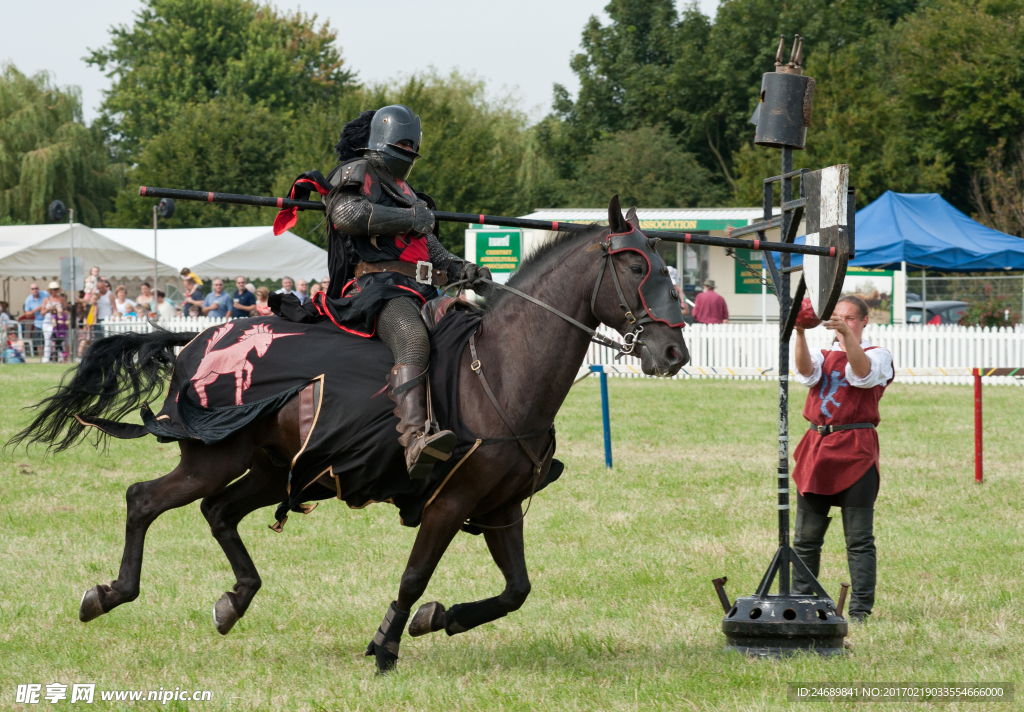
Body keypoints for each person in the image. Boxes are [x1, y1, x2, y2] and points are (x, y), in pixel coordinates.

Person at [277, 105, 490, 477]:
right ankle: (415, 438)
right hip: (375, 287)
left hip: (421, 288)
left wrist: (462, 269)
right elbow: (347, 215)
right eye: (402, 144)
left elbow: (431, 252)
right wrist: (411, 217)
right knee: (412, 337)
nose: (408, 151)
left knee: (470, 334)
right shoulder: (356, 171)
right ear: (383, 140)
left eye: (413, 146)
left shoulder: (408, 192)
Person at [792, 295, 893, 623]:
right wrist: (801, 332)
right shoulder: (823, 355)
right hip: (817, 448)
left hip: (856, 450)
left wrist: (848, 337)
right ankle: (801, 604)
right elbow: (806, 372)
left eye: (850, 318)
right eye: (837, 318)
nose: (842, 323)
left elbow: (860, 374)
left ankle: (860, 611)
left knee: (859, 539)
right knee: (806, 538)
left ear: (865, 321)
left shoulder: (879, 356)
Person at [40, 282, 67, 363]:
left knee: (58, 339)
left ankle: (60, 358)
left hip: (57, 321)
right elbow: (42, 313)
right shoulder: (46, 300)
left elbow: (65, 310)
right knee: (47, 340)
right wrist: (49, 309)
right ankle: (46, 358)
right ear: (50, 290)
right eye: (53, 289)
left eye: (56, 289)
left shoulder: (61, 299)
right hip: (48, 321)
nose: (55, 291)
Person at [23, 282, 49, 354]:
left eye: (36, 288)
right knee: (39, 342)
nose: (35, 290)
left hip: (49, 322)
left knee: (50, 341)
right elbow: (27, 314)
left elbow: (52, 299)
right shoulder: (28, 299)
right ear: (30, 290)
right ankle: (42, 359)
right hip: (38, 323)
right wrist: (36, 310)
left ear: (39, 289)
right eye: (33, 289)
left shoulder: (45, 294)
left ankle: (51, 358)